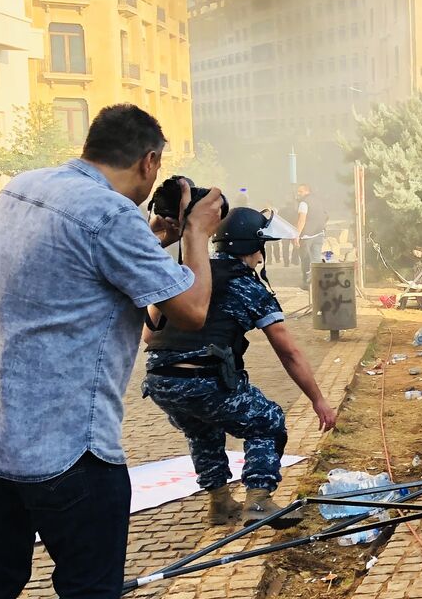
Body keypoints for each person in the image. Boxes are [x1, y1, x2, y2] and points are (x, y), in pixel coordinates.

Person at [0, 105, 222, 599]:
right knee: (86, 596)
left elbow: (81, 270)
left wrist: (158, 235)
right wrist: (197, 237)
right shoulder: (110, 219)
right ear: (149, 163)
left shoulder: (22, 189)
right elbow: (192, 309)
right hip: (67, 449)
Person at [143, 206, 338, 528]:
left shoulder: (186, 272)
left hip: (160, 380)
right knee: (267, 421)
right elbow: (288, 353)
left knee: (202, 430)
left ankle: (219, 504)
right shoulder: (248, 287)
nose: (262, 256)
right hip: (202, 377)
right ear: (253, 248)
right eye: (261, 248)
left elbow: (148, 334)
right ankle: (258, 501)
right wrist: (318, 400)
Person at [293, 183, 326, 289]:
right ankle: (317, 282)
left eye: (300, 191)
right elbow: (326, 215)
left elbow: (301, 220)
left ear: (307, 191)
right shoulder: (319, 201)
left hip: (307, 236)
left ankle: (307, 283)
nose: (298, 194)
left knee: (306, 259)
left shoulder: (303, 203)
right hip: (319, 233)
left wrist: (296, 235)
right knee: (316, 259)